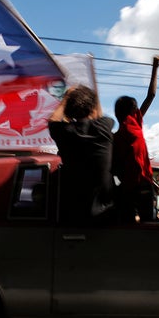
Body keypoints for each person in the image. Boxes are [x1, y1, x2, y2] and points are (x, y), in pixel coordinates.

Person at [47, 84, 116, 224]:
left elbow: (52, 120)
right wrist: (94, 96)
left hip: (73, 216)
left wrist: (66, 98)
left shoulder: (65, 132)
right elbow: (98, 115)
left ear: (69, 112)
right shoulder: (104, 126)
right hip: (106, 216)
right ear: (92, 108)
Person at [112, 55, 159, 223]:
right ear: (133, 111)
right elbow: (151, 95)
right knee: (150, 226)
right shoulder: (135, 124)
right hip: (143, 186)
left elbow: (116, 167)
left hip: (127, 188)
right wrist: (155, 67)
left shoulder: (116, 137)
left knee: (128, 225)